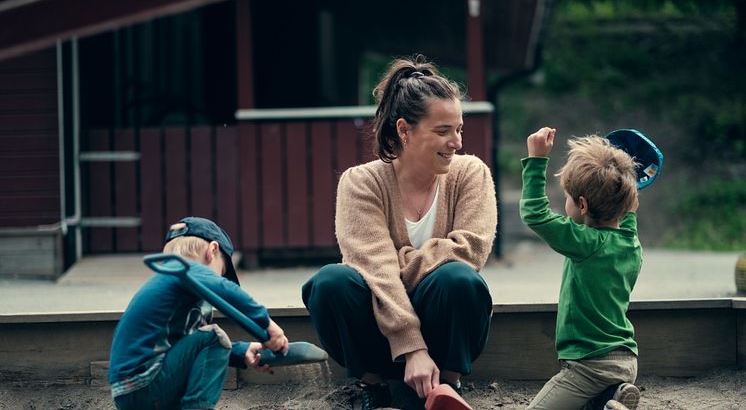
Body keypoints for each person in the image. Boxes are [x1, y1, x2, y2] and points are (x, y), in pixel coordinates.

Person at [302, 55, 497, 409]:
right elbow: (373, 268)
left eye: (459, 129)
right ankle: (372, 386)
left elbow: (471, 249)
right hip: (380, 334)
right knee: (331, 283)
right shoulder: (360, 182)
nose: (456, 142)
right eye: (442, 131)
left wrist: (397, 261)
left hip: (442, 328)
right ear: (405, 130)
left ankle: (448, 388)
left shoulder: (471, 173)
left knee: (458, 279)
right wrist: (412, 348)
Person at [108, 217, 289, 410]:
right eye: (222, 270)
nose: (219, 277)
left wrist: (240, 352)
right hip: (145, 381)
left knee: (208, 337)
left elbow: (191, 348)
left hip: (130, 391)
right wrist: (268, 325)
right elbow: (226, 290)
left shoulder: (174, 289)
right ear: (212, 251)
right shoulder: (184, 270)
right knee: (214, 336)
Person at [520, 127, 642, 410]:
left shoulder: (585, 243)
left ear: (583, 205)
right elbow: (630, 210)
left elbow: (535, 213)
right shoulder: (631, 243)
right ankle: (610, 399)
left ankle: (605, 399)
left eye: (567, 198)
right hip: (627, 360)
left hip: (589, 365)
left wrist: (536, 160)